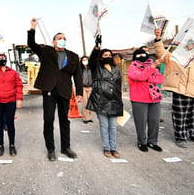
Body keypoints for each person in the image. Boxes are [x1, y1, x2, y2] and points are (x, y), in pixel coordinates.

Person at [27, 18, 83, 161]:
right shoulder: (46, 51)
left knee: (64, 120)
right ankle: (50, 149)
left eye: (64, 38)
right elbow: (31, 44)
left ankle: (66, 147)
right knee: (48, 119)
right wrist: (33, 28)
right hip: (49, 90)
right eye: (59, 38)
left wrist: (79, 93)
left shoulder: (73, 56)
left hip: (64, 91)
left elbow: (78, 76)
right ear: (54, 42)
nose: (62, 40)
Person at [153, 28, 194, 148]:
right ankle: (180, 137)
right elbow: (161, 52)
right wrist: (158, 38)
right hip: (180, 91)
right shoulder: (174, 58)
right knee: (180, 116)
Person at [87, 35, 123, 158]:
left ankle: (114, 148)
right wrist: (97, 47)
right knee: (104, 125)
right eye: (105, 55)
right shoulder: (96, 67)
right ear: (101, 57)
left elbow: (119, 85)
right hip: (100, 100)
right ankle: (106, 148)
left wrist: (120, 100)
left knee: (113, 126)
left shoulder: (116, 69)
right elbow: (92, 59)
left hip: (114, 101)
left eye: (109, 55)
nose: (108, 57)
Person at [128, 48, 165, 152]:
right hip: (139, 98)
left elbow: (160, 79)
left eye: (143, 54)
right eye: (138, 55)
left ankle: (152, 142)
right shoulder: (133, 67)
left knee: (154, 121)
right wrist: (151, 69)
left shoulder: (152, 66)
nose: (141, 57)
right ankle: (142, 141)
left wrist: (148, 77)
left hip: (154, 98)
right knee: (141, 122)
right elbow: (139, 77)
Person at [80, 56, 93, 124]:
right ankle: (85, 118)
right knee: (84, 103)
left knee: (90, 103)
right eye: (83, 60)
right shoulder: (80, 69)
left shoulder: (91, 68)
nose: (85, 61)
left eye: (86, 59)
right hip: (83, 87)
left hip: (90, 86)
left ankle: (89, 117)